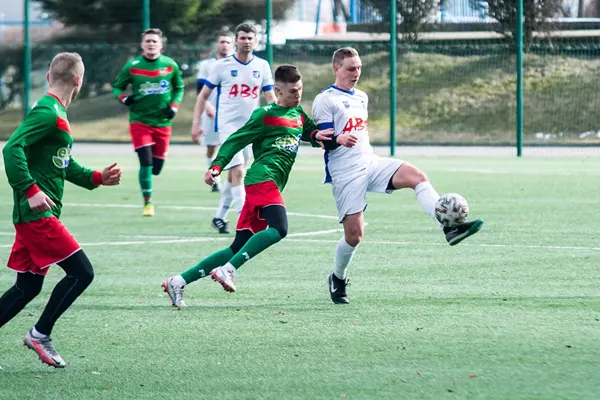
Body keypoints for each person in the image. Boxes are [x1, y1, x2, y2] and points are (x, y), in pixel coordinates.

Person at [311, 47, 484, 305]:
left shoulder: (361, 97)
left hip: (371, 162)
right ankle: (337, 277)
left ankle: (449, 228)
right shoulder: (325, 100)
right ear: (336, 68)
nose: (356, 73)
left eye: (359, 68)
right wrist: (338, 139)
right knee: (354, 236)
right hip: (346, 173)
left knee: (417, 177)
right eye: (351, 68)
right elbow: (324, 140)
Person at [162, 64, 334, 308]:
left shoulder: (298, 114)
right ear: (278, 90)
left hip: (269, 183)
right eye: (293, 91)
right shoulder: (264, 115)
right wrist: (217, 165)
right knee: (280, 228)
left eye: (300, 89)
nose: (298, 95)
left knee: (238, 246)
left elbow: (308, 131)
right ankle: (228, 270)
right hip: (262, 179)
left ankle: (178, 281)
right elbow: (235, 140)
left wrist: (318, 136)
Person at [0, 52, 122, 368]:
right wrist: (30, 190)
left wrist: (97, 177)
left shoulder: (56, 113)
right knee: (82, 272)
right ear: (79, 81)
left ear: (48, 77)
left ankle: (39, 333)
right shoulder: (48, 112)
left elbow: (63, 164)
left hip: (38, 215)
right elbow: (11, 149)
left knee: (27, 287)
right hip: (37, 217)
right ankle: (40, 334)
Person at [191, 23, 277, 234]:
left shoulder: (262, 65)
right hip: (228, 127)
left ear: (256, 41)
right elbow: (203, 95)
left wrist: (280, 122)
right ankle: (245, 221)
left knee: (234, 175)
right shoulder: (222, 66)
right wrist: (196, 123)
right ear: (236, 40)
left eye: (250, 38)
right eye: (243, 38)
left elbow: (270, 97)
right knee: (238, 171)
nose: (246, 41)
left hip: (252, 128)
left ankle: (219, 217)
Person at [112, 28, 184, 217]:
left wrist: (174, 106)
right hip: (140, 121)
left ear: (161, 45)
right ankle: (148, 203)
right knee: (146, 162)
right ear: (142, 45)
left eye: (154, 41)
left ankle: (149, 178)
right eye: (148, 41)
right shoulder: (132, 66)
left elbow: (179, 87)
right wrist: (124, 98)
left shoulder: (170, 65)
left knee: (156, 168)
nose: (151, 44)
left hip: (162, 122)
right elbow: (117, 87)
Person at [196, 32, 234, 193]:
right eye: (222, 42)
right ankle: (215, 179)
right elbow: (200, 90)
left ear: (233, 45)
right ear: (217, 44)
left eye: (228, 42)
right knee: (212, 146)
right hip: (211, 113)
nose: (225, 45)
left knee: (232, 146)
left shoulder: (236, 64)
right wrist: (207, 106)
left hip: (231, 113)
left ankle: (233, 181)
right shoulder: (207, 65)